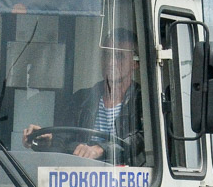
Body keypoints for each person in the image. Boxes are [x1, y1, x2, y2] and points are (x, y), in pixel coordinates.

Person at [21, 27, 144, 164]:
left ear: (135, 63)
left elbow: (143, 141)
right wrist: (48, 141)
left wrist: (100, 149)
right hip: (81, 178)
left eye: (119, 56)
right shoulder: (81, 98)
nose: (110, 62)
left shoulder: (144, 102)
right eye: (106, 54)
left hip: (128, 182)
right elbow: (64, 141)